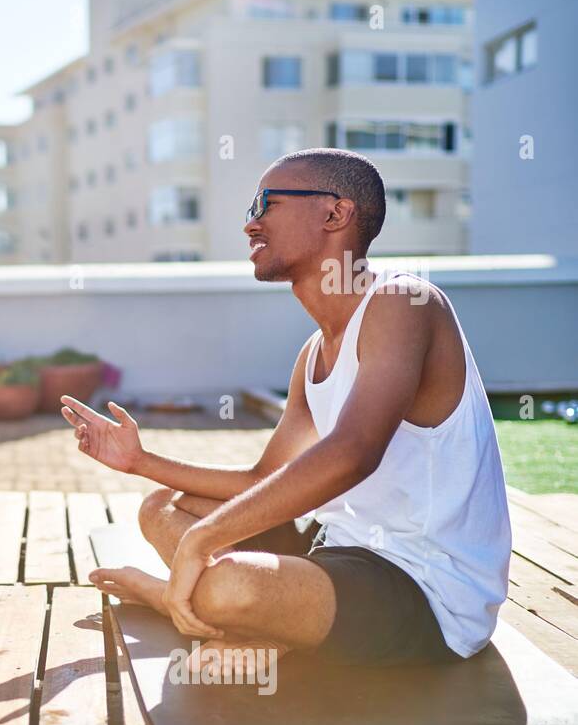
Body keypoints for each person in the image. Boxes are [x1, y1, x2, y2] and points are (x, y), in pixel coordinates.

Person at [63, 147, 511, 668]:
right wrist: (141, 462)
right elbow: (266, 479)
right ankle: (243, 615)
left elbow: (355, 452)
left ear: (335, 213)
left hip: (423, 589)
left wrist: (204, 542)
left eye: (266, 204)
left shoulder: (404, 302)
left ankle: (177, 599)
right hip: (335, 547)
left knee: (228, 582)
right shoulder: (313, 354)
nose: (251, 224)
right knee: (161, 507)